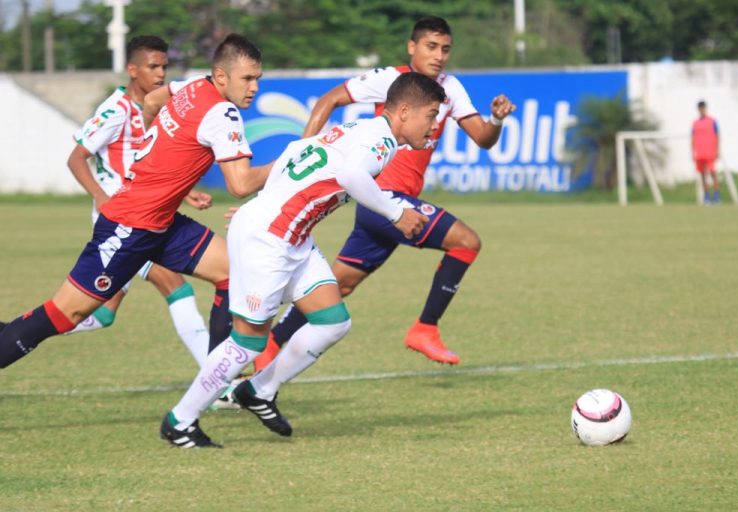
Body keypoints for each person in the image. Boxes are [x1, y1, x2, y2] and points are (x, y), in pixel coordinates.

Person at [160, 71, 443, 448]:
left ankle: (258, 391)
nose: (435, 126)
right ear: (404, 111)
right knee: (247, 343)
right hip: (270, 239)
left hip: (291, 238)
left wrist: (266, 203)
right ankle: (180, 420)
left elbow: (297, 151)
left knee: (333, 321)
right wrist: (396, 214)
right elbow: (351, 175)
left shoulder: (361, 128)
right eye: (431, 115)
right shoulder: (381, 140)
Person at [0, 34, 271, 423]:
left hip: (160, 222)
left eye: (258, 77)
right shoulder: (222, 112)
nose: (255, 87)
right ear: (222, 76)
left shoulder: (194, 87)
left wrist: (160, 163)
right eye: (248, 78)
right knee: (66, 314)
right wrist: (289, 161)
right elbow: (240, 185)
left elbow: (153, 101)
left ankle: (216, 383)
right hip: (129, 225)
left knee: (232, 271)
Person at [254, 15, 515, 369]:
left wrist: (496, 120)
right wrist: (306, 151)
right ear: (412, 46)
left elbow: (483, 138)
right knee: (466, 242)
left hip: (381, 206)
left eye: (445, 49)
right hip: (385, 199)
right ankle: (425, 328)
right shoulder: (391, 80)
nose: (439, 55)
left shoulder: (450, 88)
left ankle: (272, 343)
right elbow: (330, 99)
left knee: (339, 286)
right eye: (431, 46)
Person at [64, 35, 211, 367]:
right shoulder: (116, 110)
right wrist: (101, 197)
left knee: (103, 313)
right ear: (133, 70)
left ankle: (13, 333)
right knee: (177, 287)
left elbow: (148, 163)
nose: (160, 74)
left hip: (145, 215)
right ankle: (218, 378)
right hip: (124, 222)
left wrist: (185, 193)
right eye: (153, 67)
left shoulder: (157, 109)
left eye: (164, 67)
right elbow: (76, 158)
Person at [691, 100, 720, 204]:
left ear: (705, 108)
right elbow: (692, 138)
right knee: (703, 175)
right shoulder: (695, 123)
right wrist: (692, 152)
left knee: (713, 173)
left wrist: (717, 150)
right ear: (698, 109)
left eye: (703, 108)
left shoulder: (712, 121)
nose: (702, 110)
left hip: (710, 152)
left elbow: (717, 135)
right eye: (700, 108)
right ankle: (706, 197)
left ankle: (716, 197)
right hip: (700, 153)